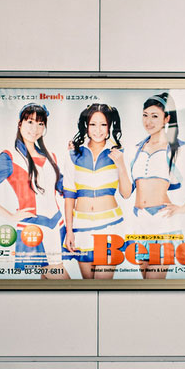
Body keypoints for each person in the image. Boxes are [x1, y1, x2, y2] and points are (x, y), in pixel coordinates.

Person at [128, 92, 185, 279]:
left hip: (163, 222)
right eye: (145, 115)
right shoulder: (137, 148)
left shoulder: (178, 148)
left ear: (166, 119)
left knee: (153, 284)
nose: (148, 121)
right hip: (139, 222)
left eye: (155, 116)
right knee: (144, 283)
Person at [0, 103, 68, 279]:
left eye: (40, 124)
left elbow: (64, 188)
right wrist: (10, 216)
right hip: (34, 228)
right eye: (30, 122)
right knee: (62, 281)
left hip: (57, 225)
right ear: (20, 124)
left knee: (48, 281)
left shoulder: (51, 156)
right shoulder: (9, 157)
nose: (35, 128)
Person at [63, 103, 132, 279]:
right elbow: (69, 194)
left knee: (103, 284)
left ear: (109, 127)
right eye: (93, 124)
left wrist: (121, 164)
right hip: (81, 227)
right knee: (88, 286)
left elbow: (126, 193)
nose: (98, 130)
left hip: (109, 225)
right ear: (86, 126)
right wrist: (69, 231)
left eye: (103, 124)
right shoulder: (74, 153)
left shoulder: (117, 152)